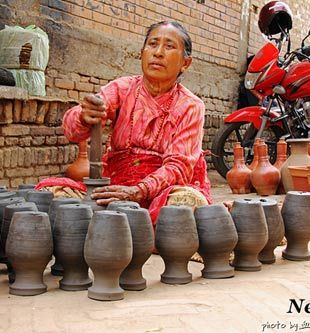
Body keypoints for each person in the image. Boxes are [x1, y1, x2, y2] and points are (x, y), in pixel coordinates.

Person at [49, 21, 212, 224]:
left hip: (161, 190)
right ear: (141, 53)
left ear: (185, 63)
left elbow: (178, 167)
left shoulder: (191, 105)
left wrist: (137, 191)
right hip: (115, 184)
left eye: (169, 46)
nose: (158, 52)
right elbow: (72, 132)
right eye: (152, 44)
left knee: (185, 204)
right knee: (50, 194)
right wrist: (84, 115)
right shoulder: (122, 88)